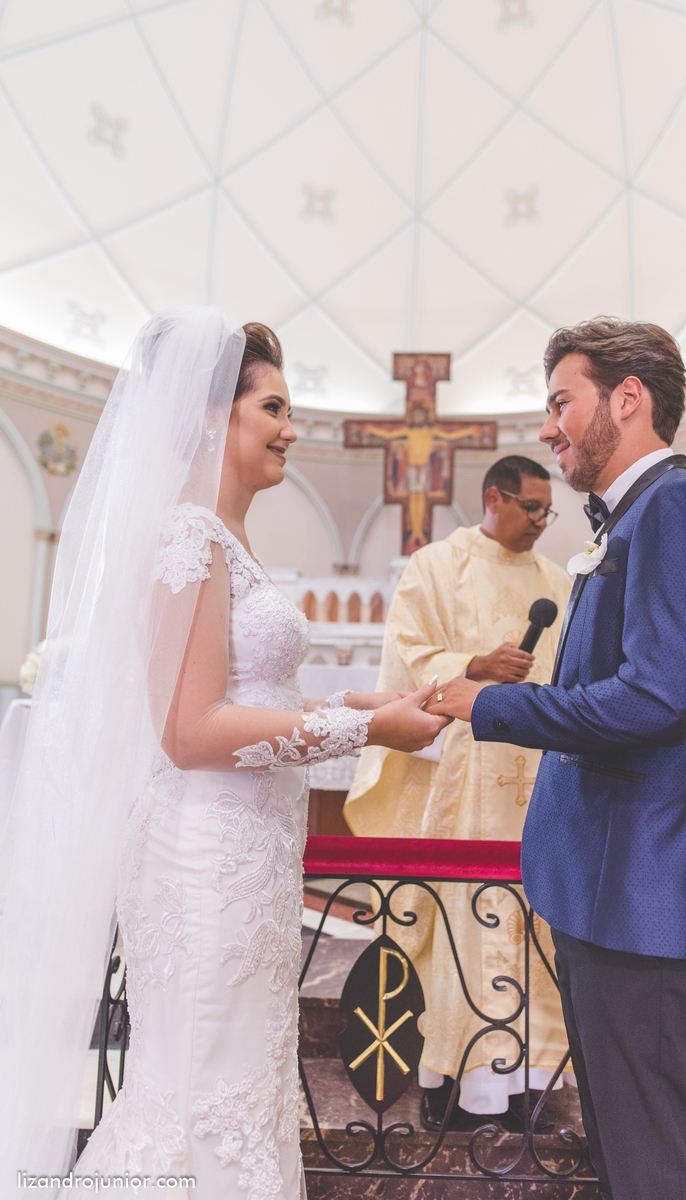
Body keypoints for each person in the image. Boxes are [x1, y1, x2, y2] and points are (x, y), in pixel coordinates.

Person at [0, 309, 449, 1198]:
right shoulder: (186, 537)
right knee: (196, 1092)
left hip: (245, 856)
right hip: (203, 861)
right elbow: (191, 730)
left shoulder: (225, 538)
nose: (291, 429)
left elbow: (246, 699)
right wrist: (364, 731)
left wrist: (356, 704)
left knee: (237, 1087)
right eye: (274, 408)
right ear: (213, 416)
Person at [427, 319, 686, 1200]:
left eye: (559, 402)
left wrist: (487, 703)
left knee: (659, 1175)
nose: (547, 428)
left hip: (650, 903)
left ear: (628, 398)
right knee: (627, 1162)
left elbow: (653, 701)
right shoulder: (636, 517)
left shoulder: (679, 507)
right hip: (612, 899)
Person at [344, 456, 572, 1131]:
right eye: (531, 508)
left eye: (546, 510)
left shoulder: (554, 582)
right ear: (493, 498)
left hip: (538, 785)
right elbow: (408, 664)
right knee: (461, 929)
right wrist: (471, 666)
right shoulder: (435, 568)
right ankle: (455, 1079)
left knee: (536, 931)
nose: (540, 522)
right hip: (461, 788)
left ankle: (529, 1078)